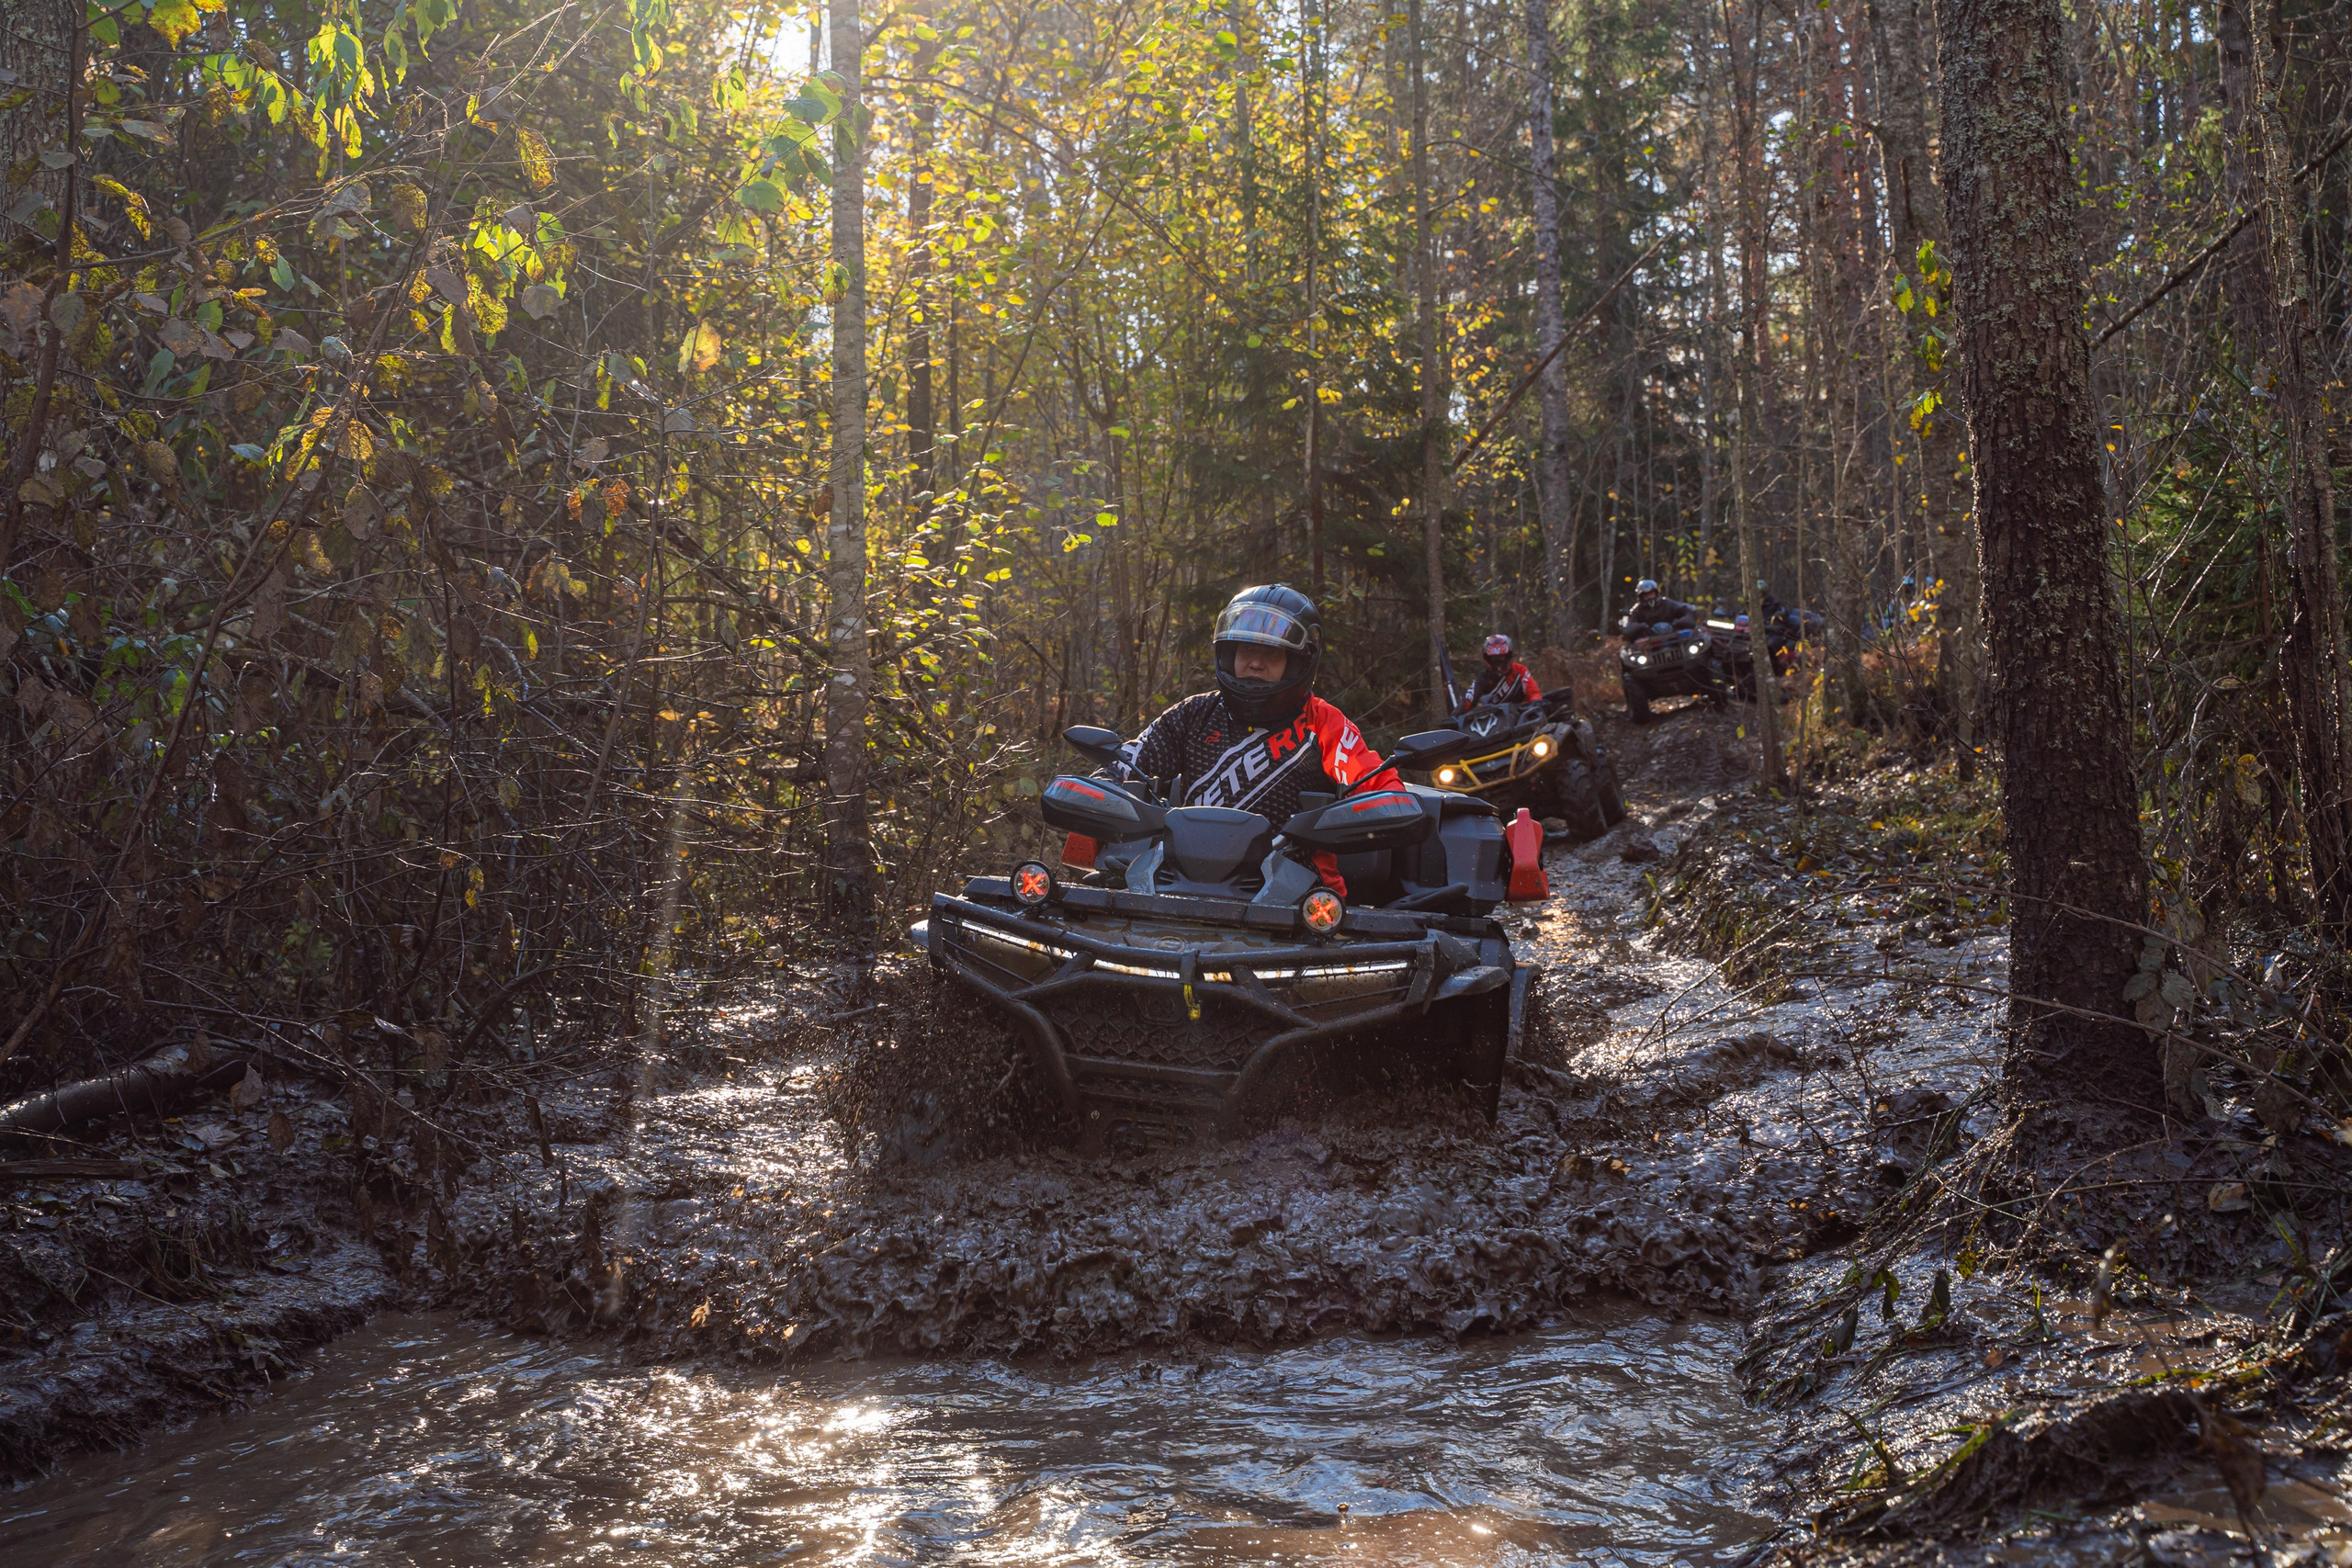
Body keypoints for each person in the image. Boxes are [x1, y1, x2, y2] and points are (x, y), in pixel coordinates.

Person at [1129, 583, 1400, 890]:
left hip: (1299, 893)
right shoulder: (1193, 714)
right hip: (1184, 884)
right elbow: (1128, 762)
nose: (1256, 663)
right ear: (1228, 652)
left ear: (1298, 661)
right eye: (1247, 649)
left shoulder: (1325, 723)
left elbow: (1383, 790)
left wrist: (1359, 814)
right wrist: (1105, 786)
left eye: (1272, 652)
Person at [1466, 632, 1542, 707]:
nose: (1498, 662)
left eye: (1501, 657)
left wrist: (1536, 702)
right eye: (1494, 658)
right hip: (1495, 713)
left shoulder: (1520, 670)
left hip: (1522, 711)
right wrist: (1459, 711)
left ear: (1508, 656)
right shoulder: (1484, 677)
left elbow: (1533, 692)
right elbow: (1469, 698)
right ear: (1488, 659)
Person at [1620, 579, 1700, 637]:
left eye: (1651, 594)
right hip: (1649, 642)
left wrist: (1680, 622)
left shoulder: (1667, 603)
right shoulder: (1637, 610)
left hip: (1673, 635)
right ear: (1641, 597)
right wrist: (1641, 626)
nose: (1649, 597)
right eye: (1646, 595)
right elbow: (1629, 626)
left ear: (1656, 593)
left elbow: (1687, 610)